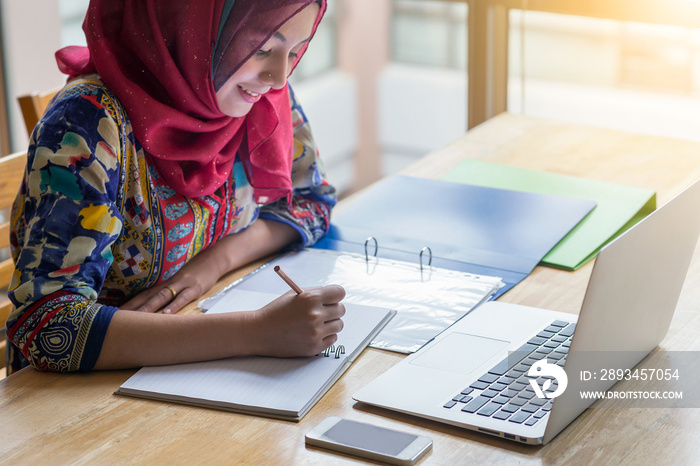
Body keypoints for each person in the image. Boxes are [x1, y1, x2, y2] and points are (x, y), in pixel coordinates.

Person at [5, 0, 345, 375]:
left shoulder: (258, 99)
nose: (279, 77)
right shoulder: (88, 121)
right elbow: (47, 324)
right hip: (86, 401)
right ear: (187, 24)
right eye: (261, 47)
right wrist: (255, 332)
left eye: (295, 51)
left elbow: (311, 200)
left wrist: (212, 264)